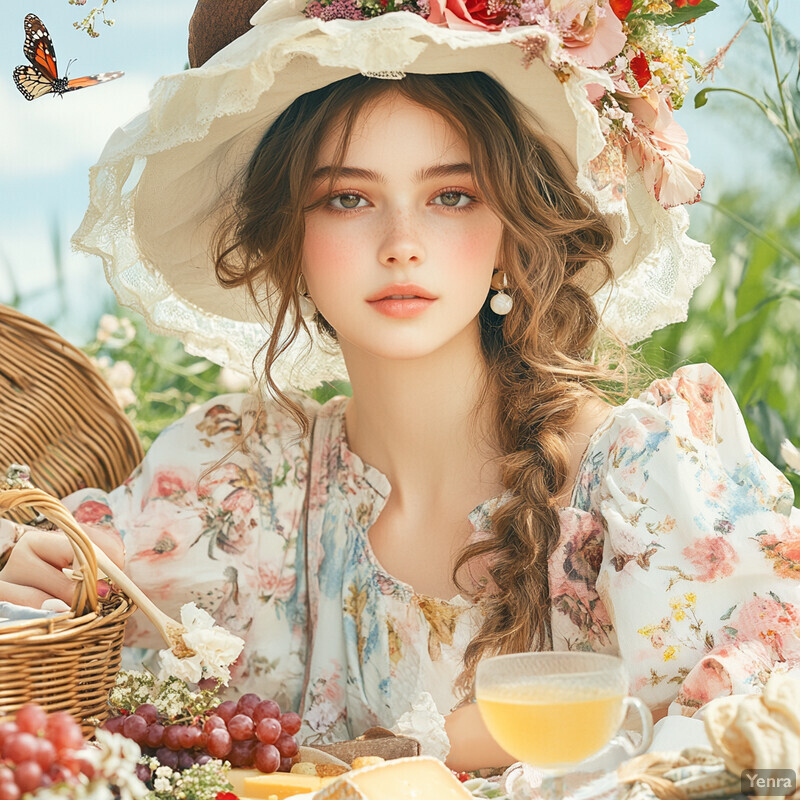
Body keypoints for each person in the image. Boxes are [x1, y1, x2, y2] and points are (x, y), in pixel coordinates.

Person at [1, 0, 799, 773]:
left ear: (510, 233)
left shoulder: (638, 480)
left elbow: (757, 720)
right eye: (349, 199)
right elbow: (75, 593)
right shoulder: (251, 485)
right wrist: (31, 566)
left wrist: (437, 749)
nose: (402, 244)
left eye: (451, 196)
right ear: (290, 236)